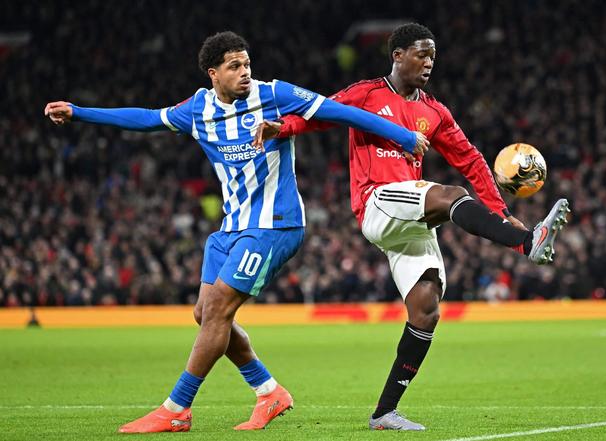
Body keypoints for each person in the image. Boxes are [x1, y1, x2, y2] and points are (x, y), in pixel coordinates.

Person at [44, 30, 429, 433]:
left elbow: (341, 112)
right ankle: (268, 391)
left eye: (247, 64)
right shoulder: (198, 109)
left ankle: (177, 408)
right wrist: (78, 112)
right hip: (231, 227)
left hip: (275, 224)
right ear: (213, 74)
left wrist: (403, 135)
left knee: (217, 310)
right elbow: (146, 118)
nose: (245, 72)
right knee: (205, 313)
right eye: (234, 66)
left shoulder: (274, 94)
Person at [254, 23, 570, 431]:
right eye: (421, 54)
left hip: (410, 214)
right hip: (376, 200)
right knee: (450, 195)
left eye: (433, 57)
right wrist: (284, 127)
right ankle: (527, 243)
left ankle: (384, 413)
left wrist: (501, 210)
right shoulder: (367, 94)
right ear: (398, 55)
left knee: (426, 308)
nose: (428, 63)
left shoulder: (434, 111)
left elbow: (471, 159)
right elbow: (322, 113)